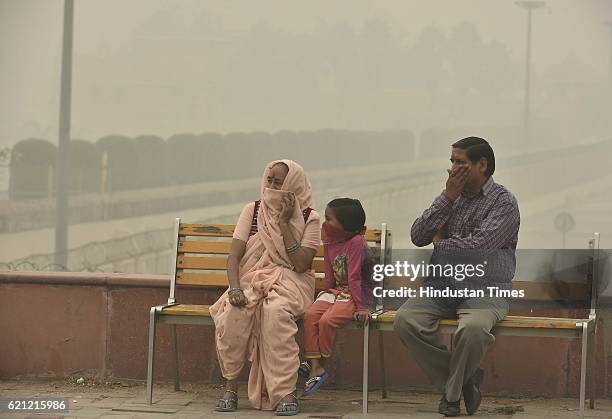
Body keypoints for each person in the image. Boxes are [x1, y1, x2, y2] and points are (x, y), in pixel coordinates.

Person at [393, 137, 520, 417]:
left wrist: (440, 245)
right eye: (451, 162)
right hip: (443, 285)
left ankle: (451, 397)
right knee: (405, 321)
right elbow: (417, 236)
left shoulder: (504, 202)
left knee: (473, 329)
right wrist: (447, 198)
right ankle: (466, 381)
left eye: (460, 162)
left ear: (482, 165)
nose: (452, 169)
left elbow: (479, 247)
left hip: (486, 289)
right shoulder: (451, 197)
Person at [210, 160, 321, 416]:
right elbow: (234, 258)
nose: (271, 186)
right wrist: (235, 289)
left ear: (293, 184)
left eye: (278, 182)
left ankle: (285, 392)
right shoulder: (253, 210)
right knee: (233, 313)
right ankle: (230, 387)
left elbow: (301, 264)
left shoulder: (309, 217)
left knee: (276, 314)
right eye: (269, 180)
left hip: (291, 282)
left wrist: (283, 223)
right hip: (251, 280)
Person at [299, 198, 374, 396]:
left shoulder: (357, 242)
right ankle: (315, 366)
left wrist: (361, 307)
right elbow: (330, 274)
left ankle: (318, 363)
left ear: (346, 225)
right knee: (311, 315)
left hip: (358, 295)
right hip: (337, 292)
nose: (325, 224)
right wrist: (324, 296)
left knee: (327, 321)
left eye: (329, 219)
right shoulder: (331, 240)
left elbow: (355, 277)